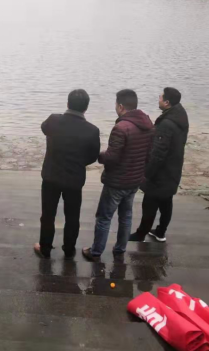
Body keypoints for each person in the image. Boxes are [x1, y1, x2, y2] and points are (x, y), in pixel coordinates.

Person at [83, 90, 154, 262]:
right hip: (134, 180)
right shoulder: (148, 125)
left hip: (116, 182)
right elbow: (148, 155)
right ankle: (120, 248)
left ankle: (96, 252)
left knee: (104, 217)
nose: (115, 108)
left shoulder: (121, 128)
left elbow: (112, 157)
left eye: (116, 105)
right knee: (126, 216)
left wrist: (99, 156)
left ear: (121, 106)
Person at [34, 89, 101, 259]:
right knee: (72, 216)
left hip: (51, 176)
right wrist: (78, 163)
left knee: (48, 214)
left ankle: (45, 248)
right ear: (86, 107)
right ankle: (69, 250)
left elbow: (44, 129)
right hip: (74, 179)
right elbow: (93, 156)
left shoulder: (53, 120)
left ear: (67, 103)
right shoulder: (92, 130)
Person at [130, 88, 189, 243]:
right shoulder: (181, 116)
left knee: (149, 203)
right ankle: (161, 232)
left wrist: (146, 174)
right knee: (166, 201)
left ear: (167, 102)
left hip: (161, 173)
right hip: (173, 168)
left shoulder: (167, 124)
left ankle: (141, 234)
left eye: (161, 97)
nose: (159, 99)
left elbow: (158, 154)